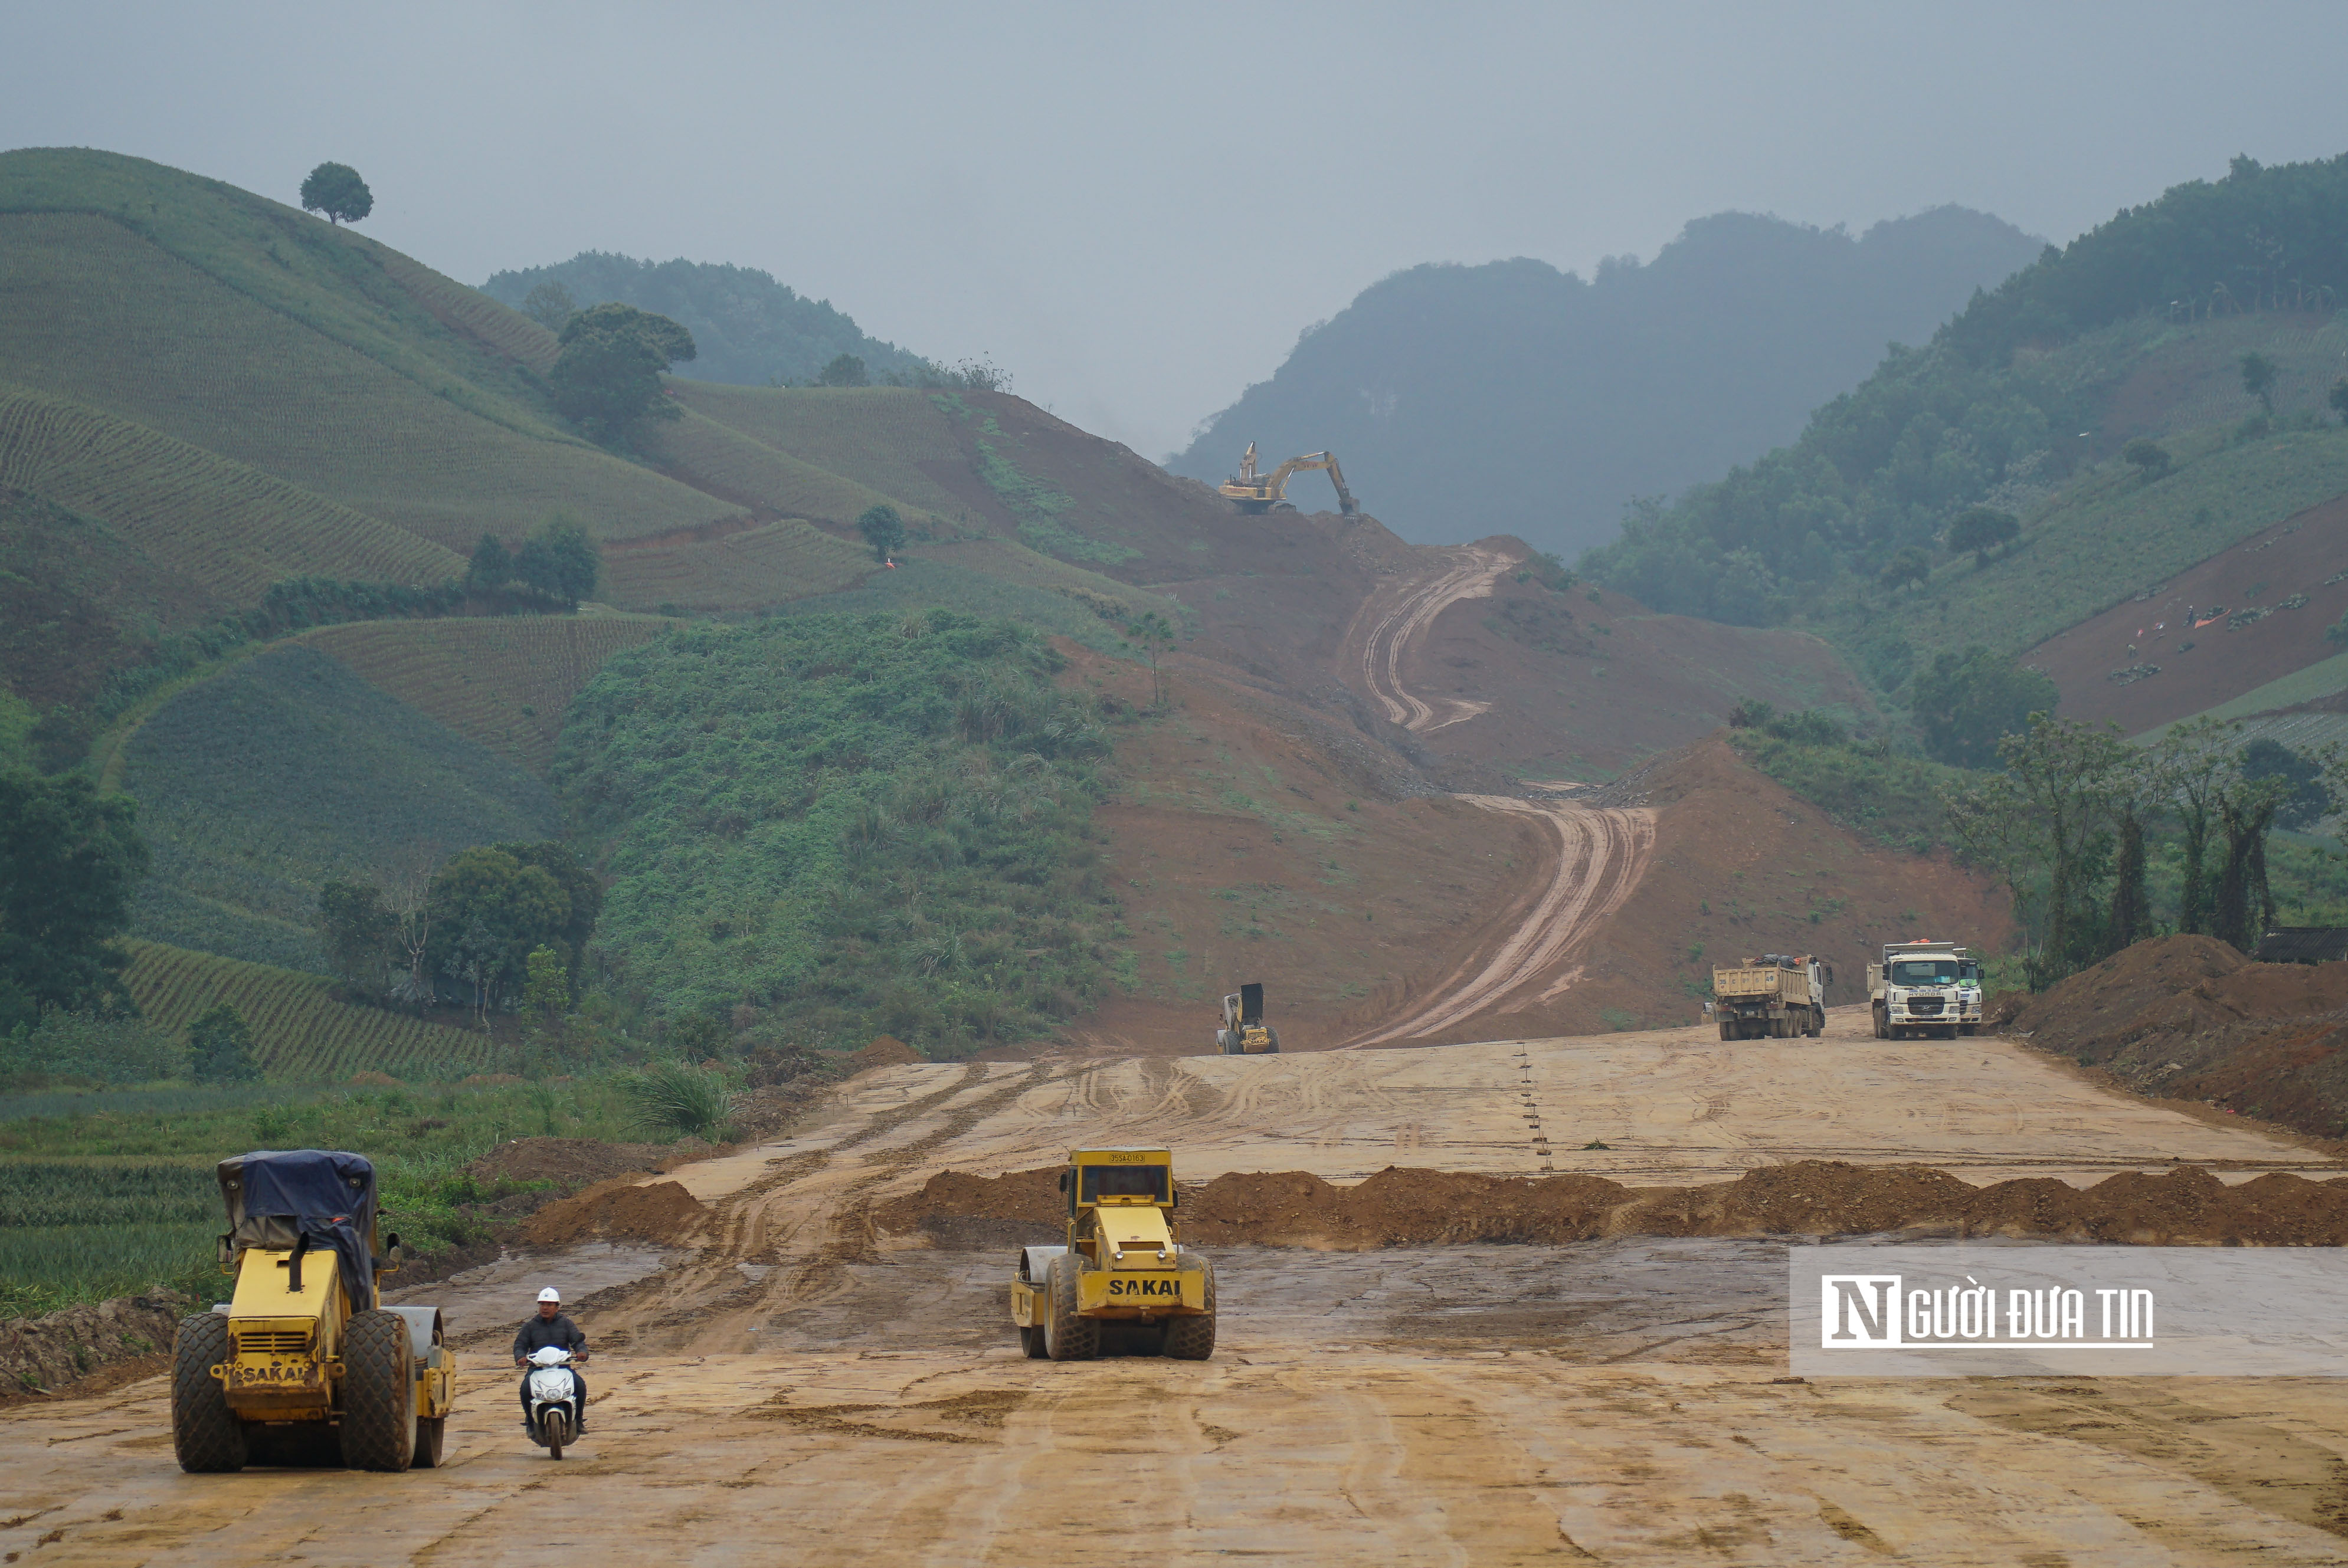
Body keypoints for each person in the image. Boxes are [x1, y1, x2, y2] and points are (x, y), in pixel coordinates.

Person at [513, 1286, 589, 1433]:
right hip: (537, 1368)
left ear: (557, 1307)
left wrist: (582, 1352)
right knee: (525, 1389)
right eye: (542, 1305)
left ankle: (578, 1421)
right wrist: (520, 1357)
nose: (545, 1308)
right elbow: (520, 1344)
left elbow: (578, 1341)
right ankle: (530, 1423)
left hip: (562, 1367)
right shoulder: (531, 1326)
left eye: (549, 1305)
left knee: (579, 1385)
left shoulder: (566, 1324)